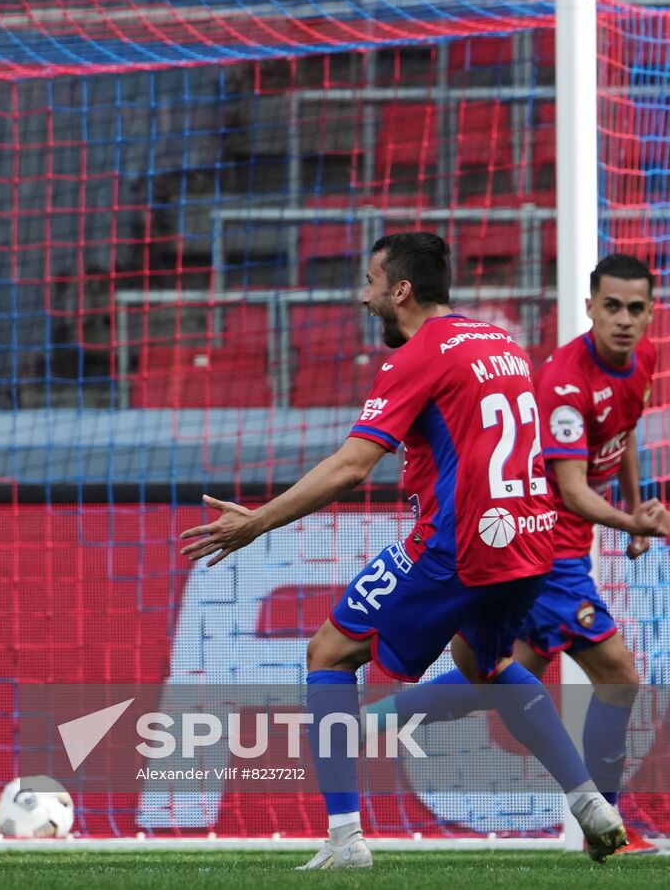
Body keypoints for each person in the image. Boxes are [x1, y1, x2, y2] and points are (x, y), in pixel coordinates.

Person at [179, 232, 627, 869]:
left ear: (401, 290)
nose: (364, 298)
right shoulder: (502, 343)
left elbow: (351, 467)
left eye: (369, 283)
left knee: (329, 653)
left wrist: (257, 523)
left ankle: (345, 840)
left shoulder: (420, 354)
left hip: (457, 546)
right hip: (533, 545)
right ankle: (590, 804)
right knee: (486, 665)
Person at [373, 253, 669, 854]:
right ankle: (604, 824)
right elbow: (575, 491)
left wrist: (637, 515)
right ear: (588, 307)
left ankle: (368, 722)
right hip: (544, 548)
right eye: (611, 306)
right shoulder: (564, 382)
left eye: (637, 309)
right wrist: (629, 520)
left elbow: (625, 429)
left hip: (565, 548)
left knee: (499, 679)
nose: (624, 320)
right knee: (617, 674)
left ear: (650, 315)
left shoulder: (641, 361)